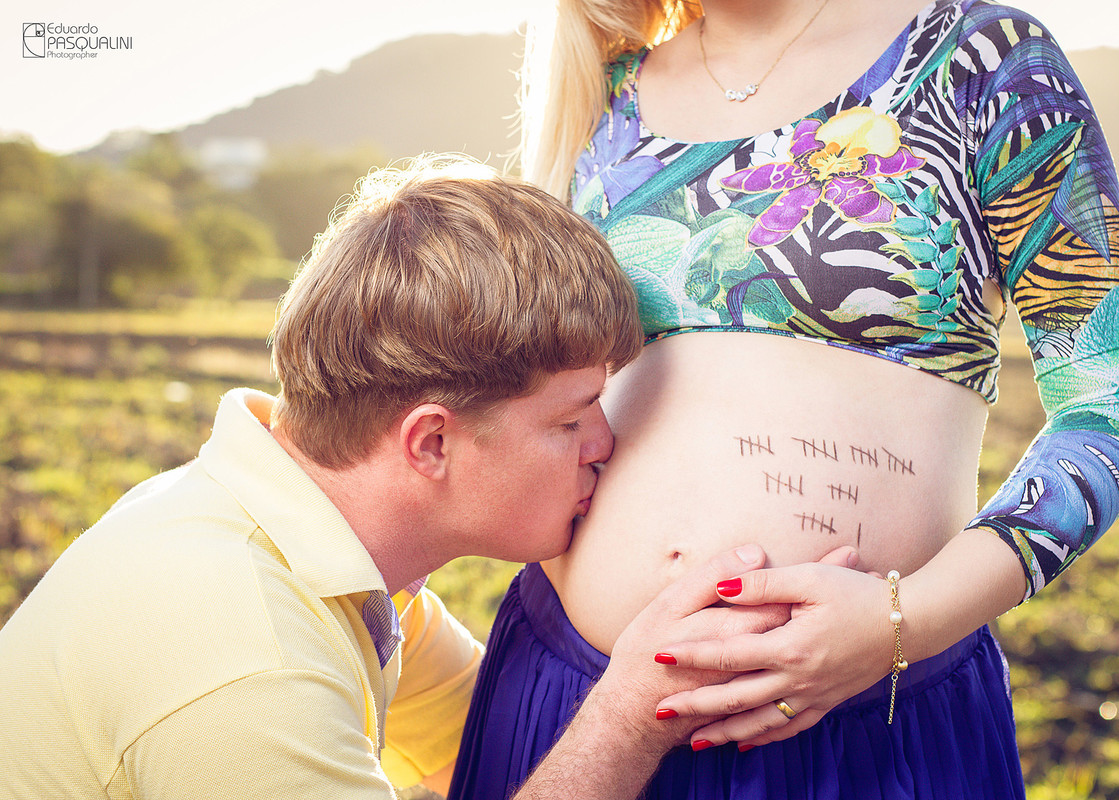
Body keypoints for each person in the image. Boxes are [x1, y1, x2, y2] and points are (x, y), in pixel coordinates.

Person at [449, 0, 1119, 798]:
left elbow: (1103, 399)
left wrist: (904, 624)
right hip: (574, 695)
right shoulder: (606, 91)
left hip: (866, 718)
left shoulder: (978, 60)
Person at [0, 157, 829, 800]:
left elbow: (483, 752)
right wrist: (629, 713)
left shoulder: (310, 558)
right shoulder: (245, 655)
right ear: (430, 443)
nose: (604, 442)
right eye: (570, 418)